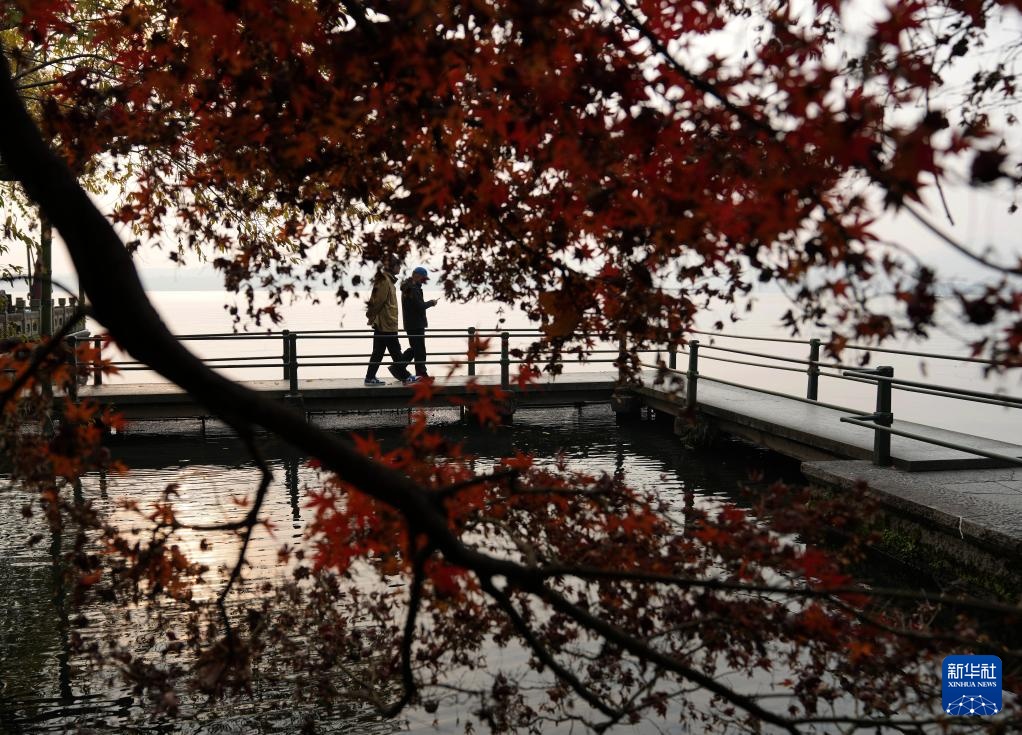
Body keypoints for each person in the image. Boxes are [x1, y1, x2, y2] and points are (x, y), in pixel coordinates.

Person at [364, 258, 415, 385]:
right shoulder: (385, 281)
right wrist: (370, 315)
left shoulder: (388, 281)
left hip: (386, 324)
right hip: (386, 324)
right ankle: (405, 376)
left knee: (378, 352)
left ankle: (370, 377)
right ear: (392, 266)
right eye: (398, 265)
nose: (400, 268)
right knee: (396, 351)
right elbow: (378, 301)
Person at [400, 266, 438, 381]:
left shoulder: (409, 287)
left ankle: (398, 368)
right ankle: (421, 374)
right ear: (416, 275)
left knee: (415, 349)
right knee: (420, 350)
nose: (424, 281)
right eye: (423, 278)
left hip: (411, 323)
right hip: (416, 324)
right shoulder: (413, 288)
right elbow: (419, 306)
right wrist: (431, 303)